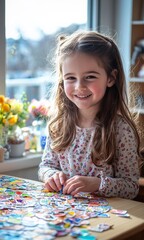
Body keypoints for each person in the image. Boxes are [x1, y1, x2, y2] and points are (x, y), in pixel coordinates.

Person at [38, 30, 142, 199]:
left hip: (109, 218)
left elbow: (131, 187)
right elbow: (46, 165)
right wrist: (51, 175)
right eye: (70, 78)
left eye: (90, 77)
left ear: (111, 78)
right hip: (65, 215)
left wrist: (97, 184)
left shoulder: (121, 130)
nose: (79, 86)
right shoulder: (59, 124)